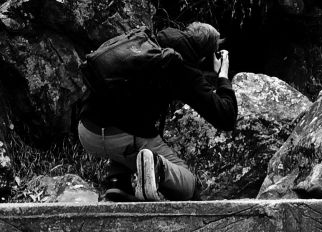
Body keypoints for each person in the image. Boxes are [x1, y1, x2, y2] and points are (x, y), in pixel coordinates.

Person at [77, 22, 237, 203]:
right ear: (205, 57)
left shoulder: (147, 40)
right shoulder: (182, 68)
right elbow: (226, 117)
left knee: (128, 113)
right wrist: (223, 74)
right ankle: (156, 166)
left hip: (86, 129)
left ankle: (118, 182)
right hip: (124, 137)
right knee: (189, 185)